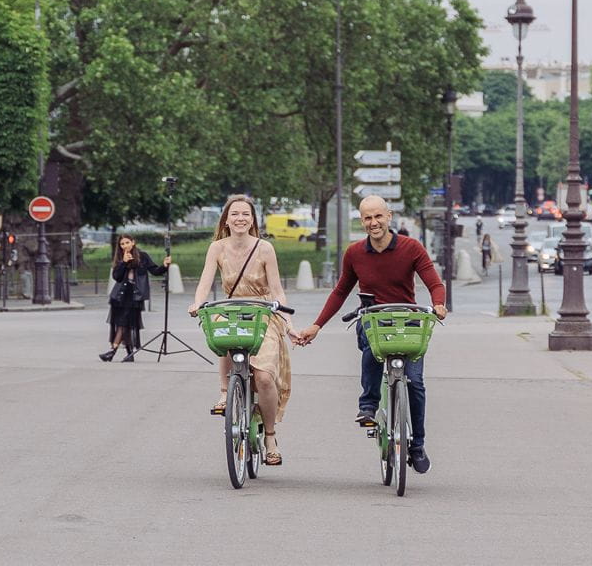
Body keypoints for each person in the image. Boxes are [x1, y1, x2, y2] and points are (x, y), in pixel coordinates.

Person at [296, 195, 446, 474]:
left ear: (389, 217)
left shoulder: (411, 248)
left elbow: (434, 282)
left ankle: (417, 444)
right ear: (361, 220)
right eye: (367, 217)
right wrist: (316, 326)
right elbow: (340, 291)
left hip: (407, 321)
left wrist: (438, 305)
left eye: (378, 216)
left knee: (414, 382)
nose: (373, 222)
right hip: (374, 320)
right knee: (370, 344)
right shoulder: (354, 253)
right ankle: (368, 406)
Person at [187, 195, 299, 466]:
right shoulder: (216, 248)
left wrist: (288, 322)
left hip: (263, 312)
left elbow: (277, 290)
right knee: (222, 331)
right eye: (234, 214)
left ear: (253, 220)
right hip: (233, 308)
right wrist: (198, 303)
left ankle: (270, 436)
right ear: (226, 219)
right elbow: (204, 283)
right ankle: (225, 392)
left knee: (263, 378)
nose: (240, 219)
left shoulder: (265, 248)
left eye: (245, 214)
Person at [100, 235, 171, 363]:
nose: (125, 245)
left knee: (126, 323)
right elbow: (117, 277)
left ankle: (113, 351)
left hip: (135, 296)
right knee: (123, 324)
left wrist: (164, 266)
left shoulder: (142, 256)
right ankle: (128, 354)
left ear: (133, 242)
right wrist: (124, 263)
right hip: (120, 296)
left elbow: (154, 270)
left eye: (127, 242)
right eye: (122, 244)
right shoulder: (120, 258)